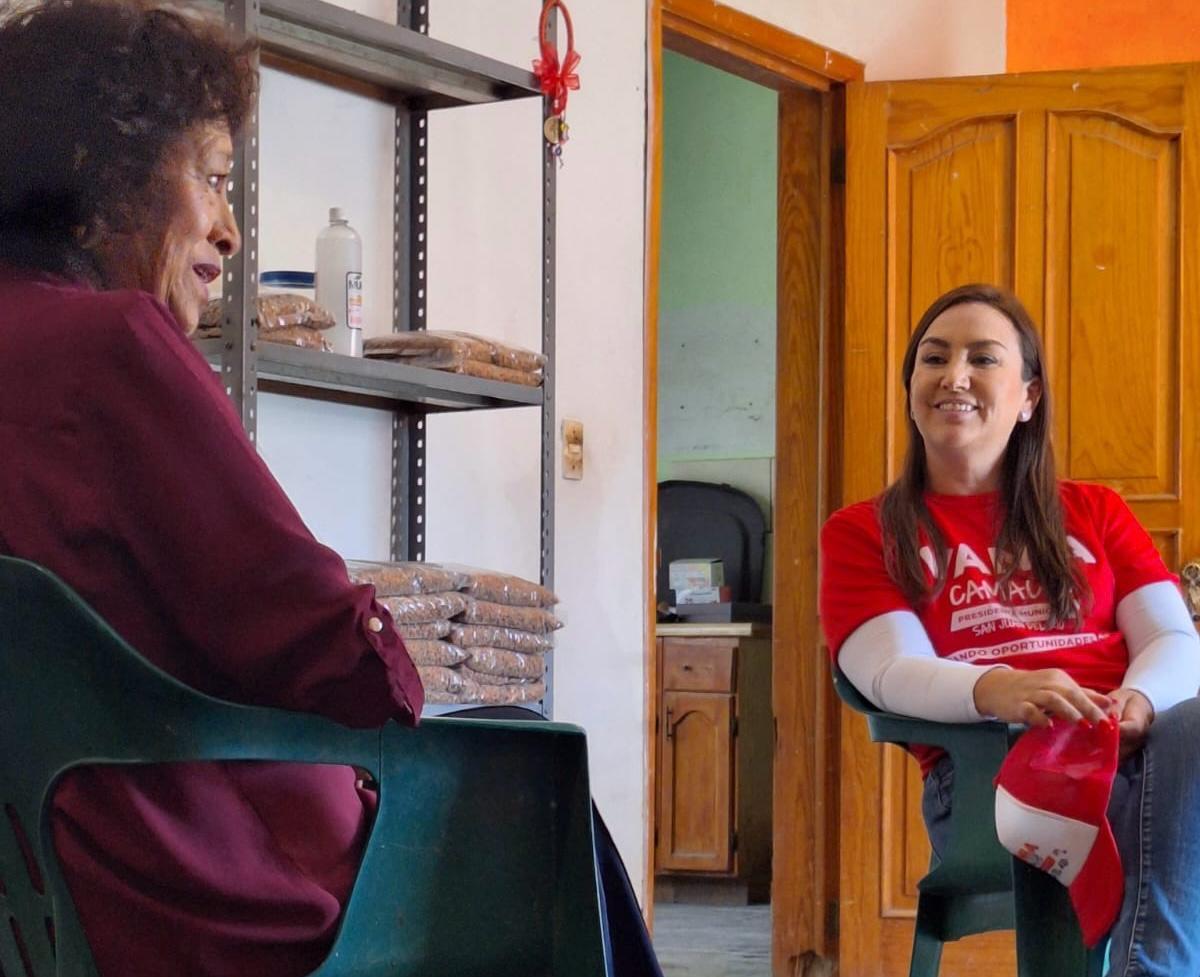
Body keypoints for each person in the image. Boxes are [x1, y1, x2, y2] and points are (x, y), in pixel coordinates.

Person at [0, 2, 424, 975]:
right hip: (172, 886)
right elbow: (328, 652)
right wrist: (399, 664)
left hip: (21, 896)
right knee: (540, 788)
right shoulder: (109, 347)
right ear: (98, 168)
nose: (231, 232)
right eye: (215, 179)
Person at [819, 283, 1200, 976]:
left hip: (1131, 747)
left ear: (1028, 397)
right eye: (933, 358)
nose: (953, 375)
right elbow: (887, 669)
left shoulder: (1096, 511)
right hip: (989, 771)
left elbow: (1175, 642)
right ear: (912, 387)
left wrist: (1138, 704)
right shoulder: (862, 532)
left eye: (982, 358)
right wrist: (999, 687)